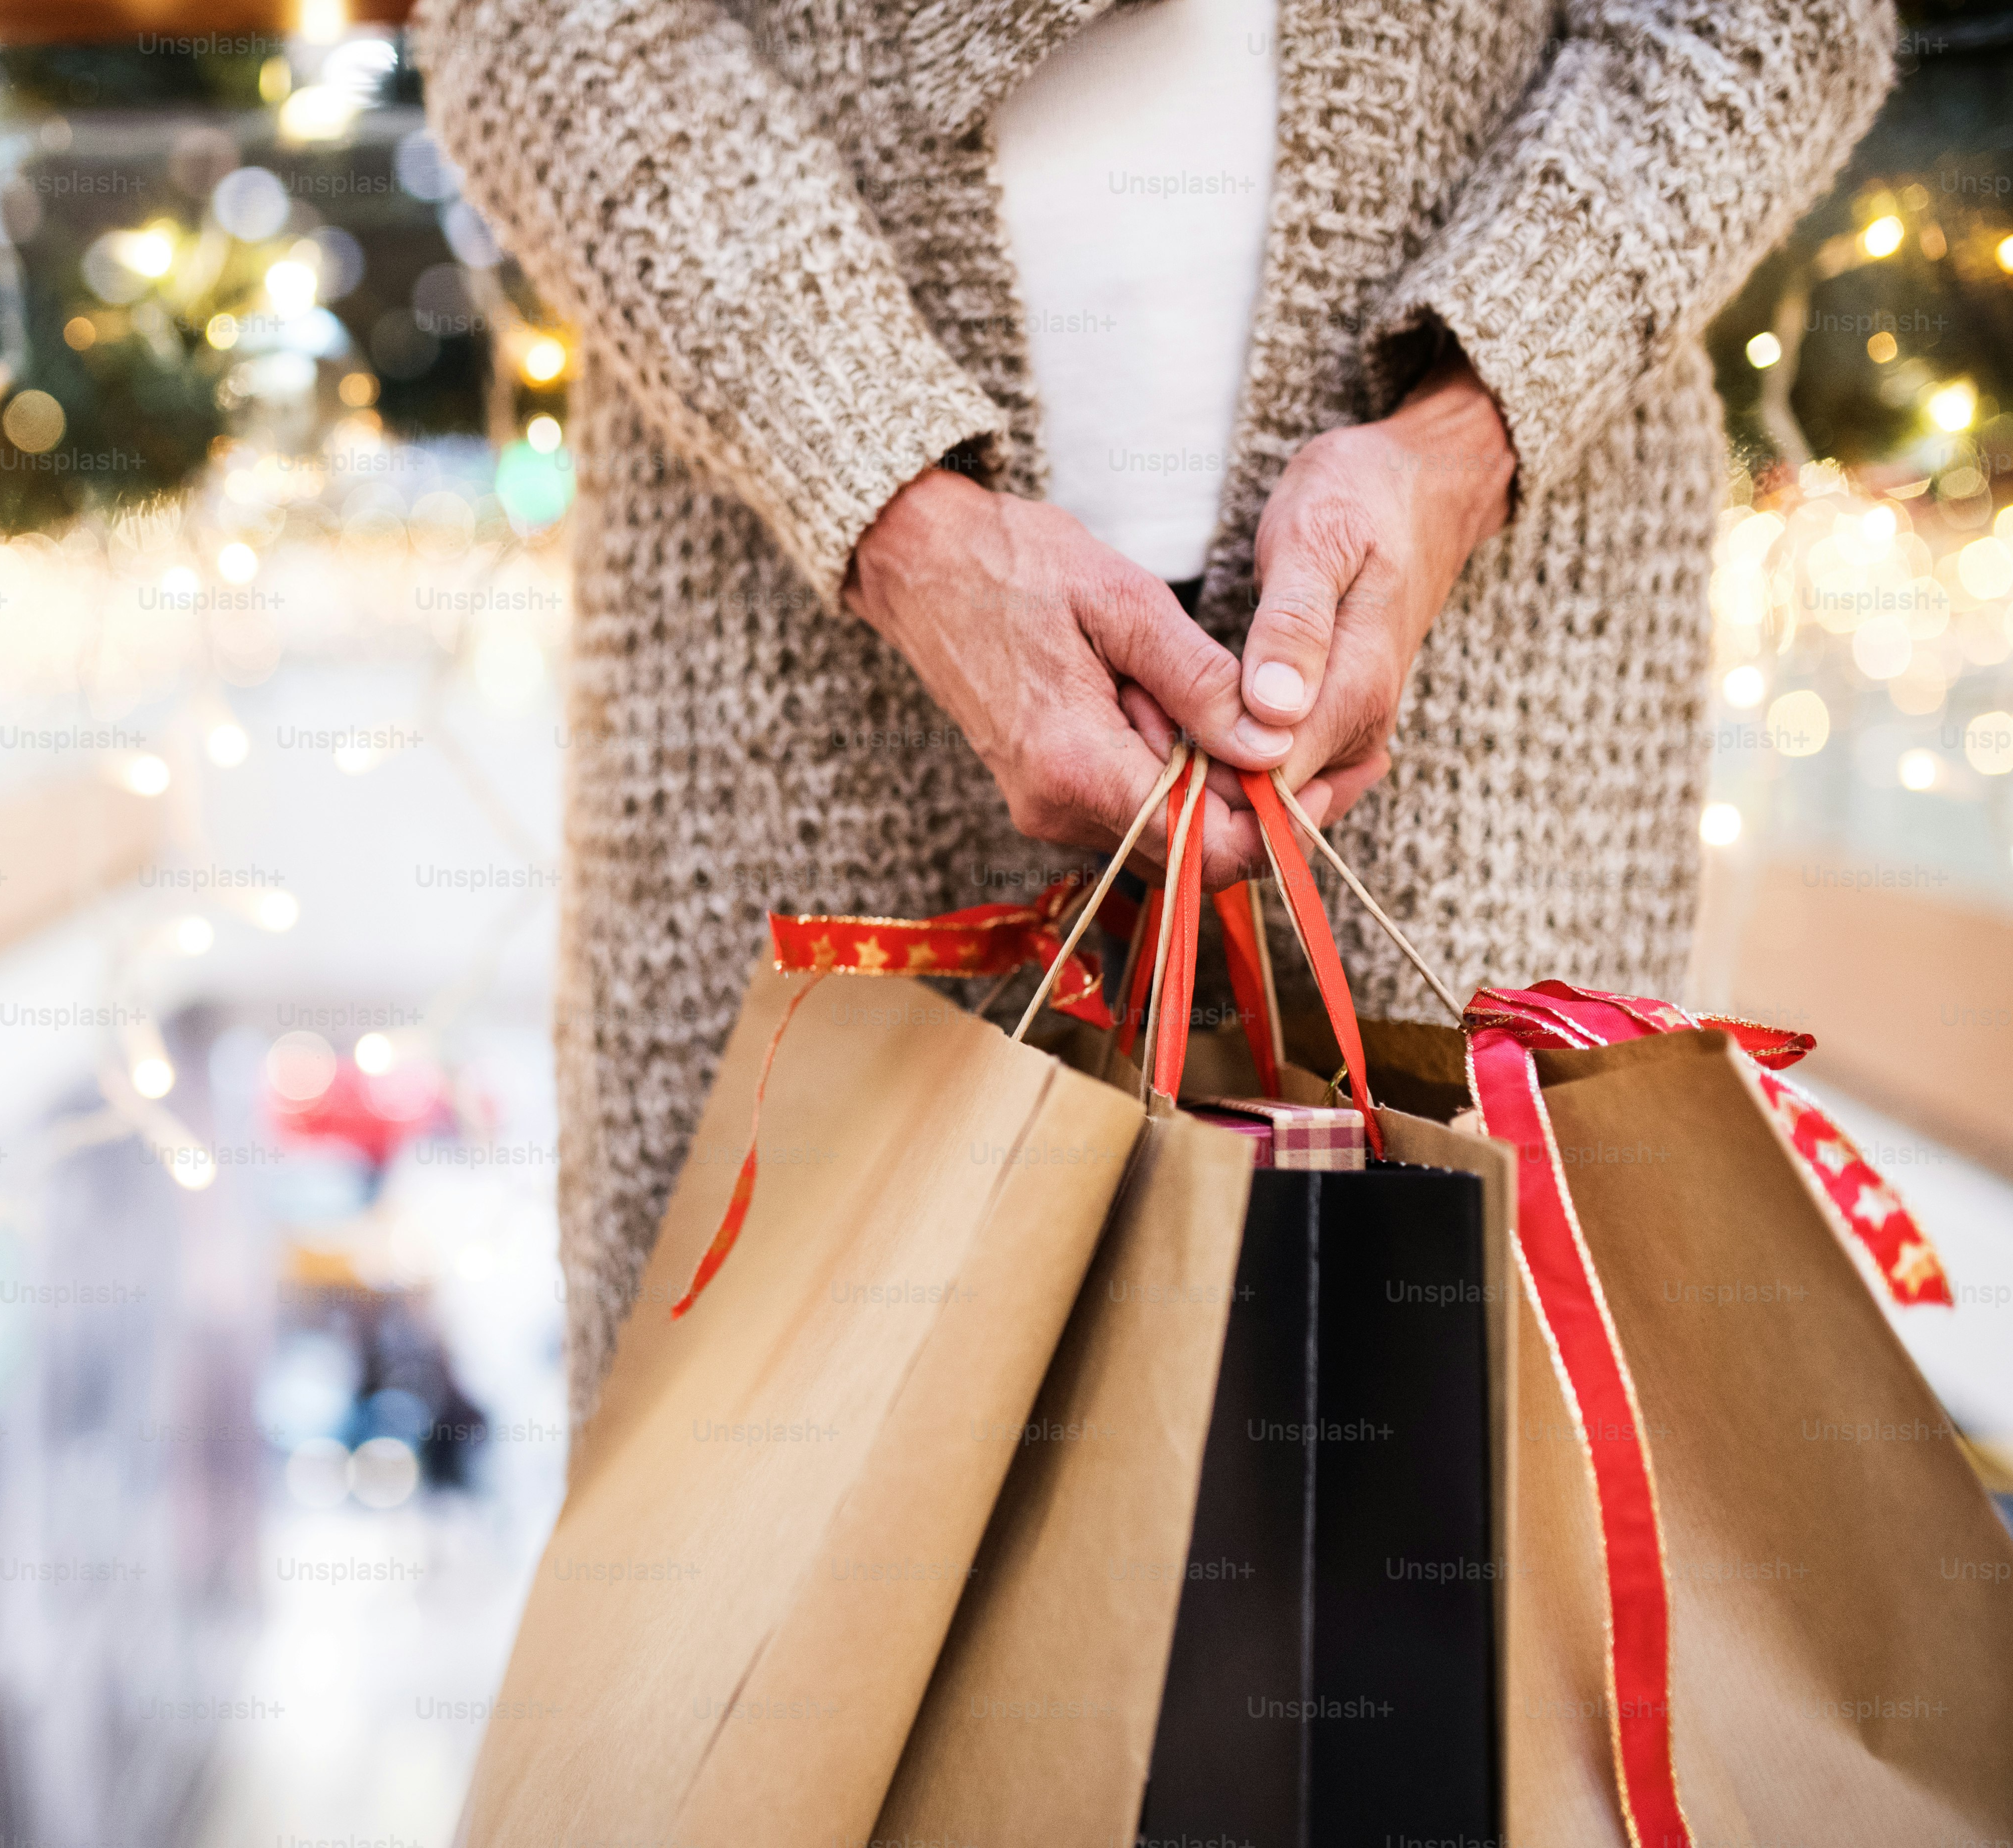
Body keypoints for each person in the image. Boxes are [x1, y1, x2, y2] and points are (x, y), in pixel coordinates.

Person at [417, 0, 1895, 1411]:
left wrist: (1468, 435)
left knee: (1442, 1554)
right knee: (774, 1562)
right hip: (798, 657)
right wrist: (885, 499)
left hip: (1489, 647)